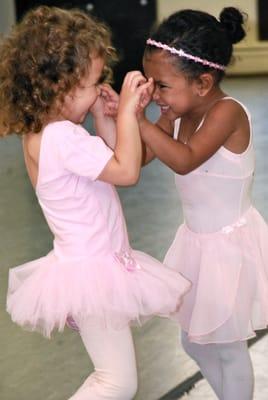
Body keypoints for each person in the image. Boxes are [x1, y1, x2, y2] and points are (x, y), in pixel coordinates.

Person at [0, 6, 191, 400]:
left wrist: (107, 118)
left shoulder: (46, 133)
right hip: (93, 272)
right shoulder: (63, 138)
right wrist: (125, 112)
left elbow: (109, 163)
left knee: (115, 377)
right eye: (90, 84)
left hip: (90, 266)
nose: (98, 89)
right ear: (59, 87)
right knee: (116, 382)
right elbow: (127, 171)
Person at [138, 7, 268, 400]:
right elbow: (145, 157)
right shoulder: (178, 109)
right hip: (199, 244)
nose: (153, 93)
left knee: (227, 349)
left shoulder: (226, 112)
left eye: (161, 85)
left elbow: (184, 158)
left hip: (228, 249)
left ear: (203, 82)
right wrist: (118, 116)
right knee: (194, 343)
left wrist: (137, 118)